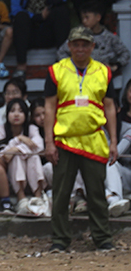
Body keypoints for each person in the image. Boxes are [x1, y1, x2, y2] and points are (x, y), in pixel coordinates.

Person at [44, 26, 116, 252]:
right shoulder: (56, 70)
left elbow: (110, 106)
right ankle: (60, 240)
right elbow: (49, 107)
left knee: (96, 193)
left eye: (85, 44)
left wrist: (113, 141)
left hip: (94, 139)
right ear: (69, 46)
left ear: (92, 46)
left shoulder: (103, 71)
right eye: (76, 44)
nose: (80, 48)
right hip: (64, 141)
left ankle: (102, 238)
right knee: (61, 194)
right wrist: (49, 142)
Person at [0, 98, 48, 215]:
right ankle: (21, 198)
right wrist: (18, 139)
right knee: (17, 157)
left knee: (33, 156)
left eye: (21, 111)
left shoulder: (32, 128)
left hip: (31, 174)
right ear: (7, 114)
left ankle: (38, 196)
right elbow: (4, 156)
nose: (16, 114)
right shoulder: (0, 130)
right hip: (10, 176)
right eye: (12, 111)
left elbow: (39, 147)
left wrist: (16, 148)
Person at [56, 1, 130, 73]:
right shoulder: (78, 36)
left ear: (98, 17)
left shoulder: (109, 37)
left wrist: (115, 66)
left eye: (87, 17)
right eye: (82, 18)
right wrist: (73, 66)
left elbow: (125, 53)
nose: (84, 21)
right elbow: (61, 52)